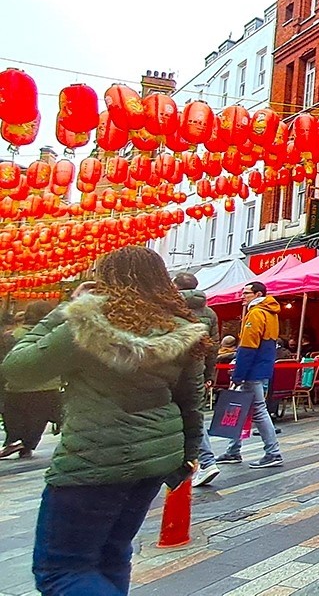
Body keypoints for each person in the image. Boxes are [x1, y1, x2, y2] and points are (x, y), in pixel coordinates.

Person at [2, 247, 208, 594]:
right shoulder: (183, 329)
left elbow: (18, 370)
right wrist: (188, 455)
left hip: (92, 460)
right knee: (112, 554)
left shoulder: (86, 324)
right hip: (157, 456)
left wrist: (63, 313)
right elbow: (191, 399)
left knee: (61, 568)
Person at [213, 281, 285, 468]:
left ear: (258, 294)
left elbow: (248, 346)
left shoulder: (256, 313)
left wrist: (239, 372)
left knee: (258, 409)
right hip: (261, 367)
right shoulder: (271, 313)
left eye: (246, 293)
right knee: (243, 408)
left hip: (252, 369)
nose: (242, 296)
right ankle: (233, 450)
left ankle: (272, 452)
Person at [175, 273, 225, 488]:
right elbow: (213, 347)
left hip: (174, 369)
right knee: (193, 413)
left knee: (179, 414)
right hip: (198, 369)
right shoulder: (209, 312)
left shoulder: (171, 307)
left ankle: (203, 461)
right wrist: (208, 375)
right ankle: (200, 461)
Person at [0, 302, 60, 460]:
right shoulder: (55, 336)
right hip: (47, 386)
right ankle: (27, 445)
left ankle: (14, 440)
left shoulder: (13, 335)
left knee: (14, 416)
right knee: (37, 419)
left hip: (16, 386)